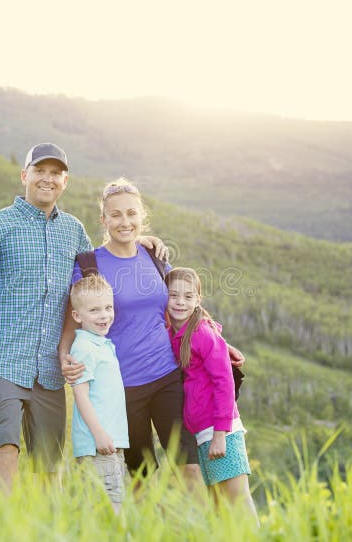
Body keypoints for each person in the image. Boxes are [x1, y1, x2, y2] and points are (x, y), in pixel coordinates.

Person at [0, 145, 165, 491]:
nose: (47, 179)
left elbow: (98, 264)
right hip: (1, 359)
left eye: (55, 173)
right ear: (25, 175)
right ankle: (3, 528)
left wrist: (135, 240)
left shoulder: (73, 230)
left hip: (51, 371)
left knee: (49, 467)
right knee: (5, 449)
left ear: (64, 182)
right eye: (40, 171)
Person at [60, 178, 246, 487]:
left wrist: (218, 341)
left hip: (167, 379)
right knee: (141, 476)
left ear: (141, 217)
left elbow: (183, 306)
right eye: (116, 214)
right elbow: (72, 320)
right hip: (123, 387)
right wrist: (64, 355)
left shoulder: (155, 257)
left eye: (131, 214)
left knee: (189, 467)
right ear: (103, 220)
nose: (124, 221)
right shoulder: (89, 265)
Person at [165, 267, 258, 521]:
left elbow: (224, 382)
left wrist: (220, 434)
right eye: (173, 296)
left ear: (197, 300)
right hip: (201, 433)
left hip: (221, 431)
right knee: (218, 502)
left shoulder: (202, 333)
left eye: (187, 296)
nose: (180, 302)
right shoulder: (174, 333)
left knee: (237, 497)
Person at [68, 274, 129, 513]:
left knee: (113, 508)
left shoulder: (103, 344)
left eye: (108, 308)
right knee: (108, 512)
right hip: (98, 444)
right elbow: (80, 396)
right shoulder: (84, 348)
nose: (104, 315)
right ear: (77, 316)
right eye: (94, 310)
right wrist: (99, 434)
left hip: (110, 442)